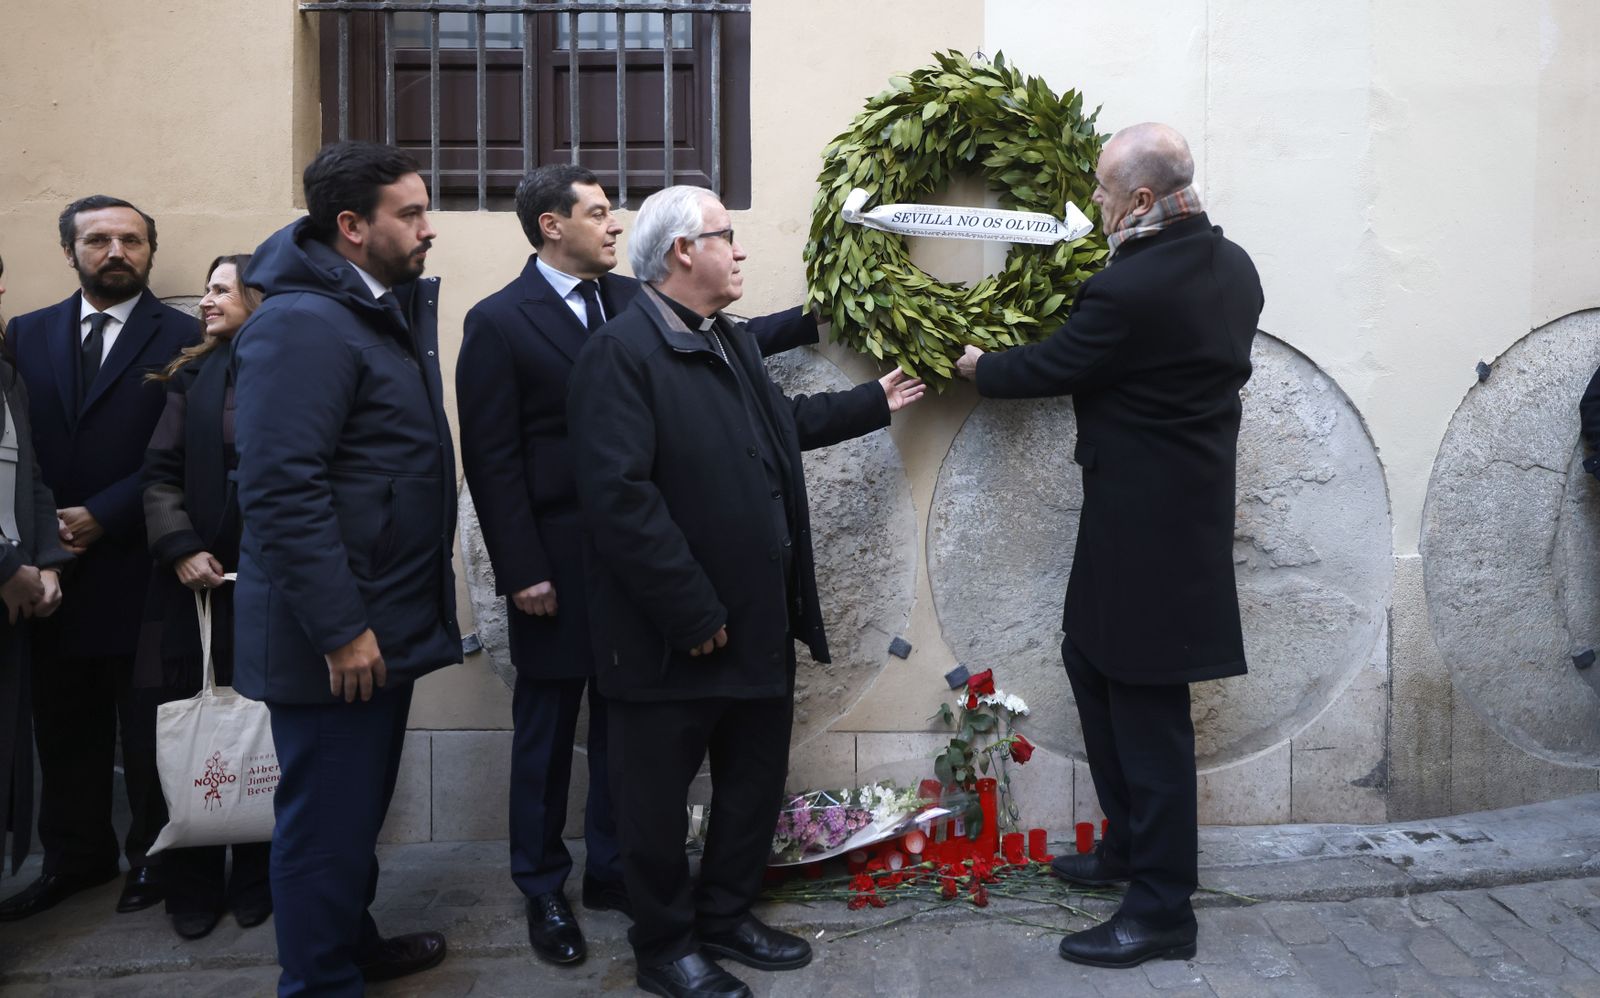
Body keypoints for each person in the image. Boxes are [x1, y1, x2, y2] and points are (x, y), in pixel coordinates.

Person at [457, 163, 822, 968]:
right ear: (551, 224)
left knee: (636, 751)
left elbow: (737, 353)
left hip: (648, 569)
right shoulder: (503, 322)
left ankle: (620, 879)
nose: (611, 226)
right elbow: (494, 457)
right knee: (555, 737)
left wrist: (829, 310)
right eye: (594, 212)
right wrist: (522, 567)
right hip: (563, 560)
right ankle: (545, 884)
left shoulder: (639, 305)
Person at [568, 185, 925, 998]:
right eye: (727, 236)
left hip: (758, 623)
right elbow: (619, 499)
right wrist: (690, 609)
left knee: (753, 781)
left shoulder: (725, 340)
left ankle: (727, 915)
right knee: (653, 804)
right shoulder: (619, 354)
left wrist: (878, 399)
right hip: (674, 636)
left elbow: (781, 428)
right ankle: (665, 947)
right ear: (682, 252)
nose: (741, 251)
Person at [955, 122, 1264, 969]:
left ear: (1138, 199)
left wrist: (979, 364)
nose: (1090, 204)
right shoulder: (1233, 266)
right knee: (1089, 660)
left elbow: (1054, 365)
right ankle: (1127, 850)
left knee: (1148, 710)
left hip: (1149, 528)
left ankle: (1163, 909)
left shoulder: (1131, 289)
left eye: (1099, 190)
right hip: (1157, 514)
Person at [232, 140, 459, 996]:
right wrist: (341, 628)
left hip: (376, 625)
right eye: (412, 214)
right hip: (338, 639)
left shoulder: (365, 309)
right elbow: (280, 488)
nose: (428, 229)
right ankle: (321, 982)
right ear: (352, 227)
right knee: (324, 825)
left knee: (349, 817)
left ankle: (347, 945)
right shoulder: (301, 323)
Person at [0, 197, 199, 921]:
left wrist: (106, 513)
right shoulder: (26, 332)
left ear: (150, 249)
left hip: (140, 563)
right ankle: (74, 859)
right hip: (48, 570)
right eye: (98, 239)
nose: (116, 251)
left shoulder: (184, 336)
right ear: (70, 251)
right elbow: (16, 440)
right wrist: (45, 529)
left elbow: (183, 451)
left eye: (131, 239)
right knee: (61, 723)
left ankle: (154, 859)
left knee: (149, 727)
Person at [136, 254, 272, 940]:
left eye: (222, 290)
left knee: (261, 734)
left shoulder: (287, 374)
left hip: (270, 588)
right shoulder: (191, 377)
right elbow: (158, 477)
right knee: (195, 734)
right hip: (193, 593)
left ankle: (257, 875)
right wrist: (182, 547)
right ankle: (190, 883)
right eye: (209, 290)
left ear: (258, 296)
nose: (207, 301)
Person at [0, 251, 72, 882]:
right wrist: (8, 567)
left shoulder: (6, 374)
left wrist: (44, 561)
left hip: (18, 596)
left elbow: (30, 476)